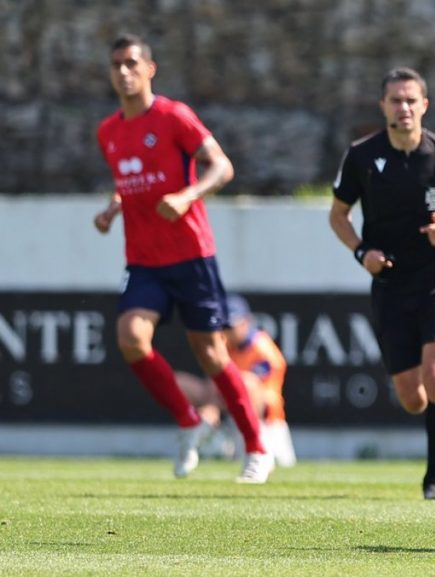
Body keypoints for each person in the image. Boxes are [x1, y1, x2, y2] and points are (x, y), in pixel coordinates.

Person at [93, 34, 274, 484]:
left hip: (192, 255)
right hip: (144, 260)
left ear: (149, 69)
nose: (124, 71)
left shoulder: (174, 116)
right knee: (131, 338)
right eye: (116, 64)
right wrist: (115, 206)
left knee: (212, 354)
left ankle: (256, 447)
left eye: (132, 62)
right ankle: (189, 421)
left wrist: (188, 194)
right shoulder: (108, 131)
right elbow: (131, 179)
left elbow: (222, 166)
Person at [328, 67, 435, 501]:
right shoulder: (361, 156)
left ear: (424, 105)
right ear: (383, 105)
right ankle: (430, 445)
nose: (403, 108)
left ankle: (433, 481)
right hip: (390, 285)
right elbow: (338, 215)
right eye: (395, 100)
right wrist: (360, 252)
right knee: (412, 397)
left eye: (410, 100)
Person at [176, 294, 296, 467]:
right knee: (182, 384)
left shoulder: (262, 348)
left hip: (267, 423)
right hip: (230, 415)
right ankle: (207, 438)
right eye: (223, 326)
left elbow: (250, 389)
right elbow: (215, 381)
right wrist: (210, 408)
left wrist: (214, 407)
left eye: (230, 326)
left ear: (246, 321)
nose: (226, 332)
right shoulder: (224, 347)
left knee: (245, 383)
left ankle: (256, 447)